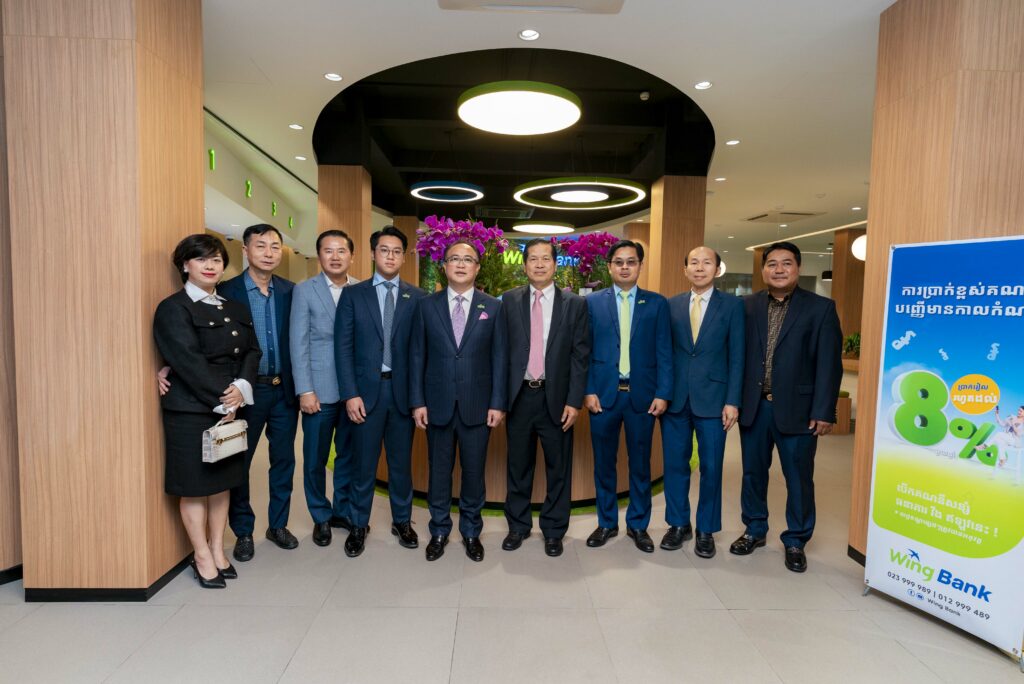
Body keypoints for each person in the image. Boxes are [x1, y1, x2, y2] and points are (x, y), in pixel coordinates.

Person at [160, 224, 298, 561]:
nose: (268, 253)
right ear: (245, 251)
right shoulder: (225, 291)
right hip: (242, 394)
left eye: (275, 246)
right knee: (238, 463)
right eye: (261, 245)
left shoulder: (291, 291)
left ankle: (278, 525)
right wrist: (165, 367)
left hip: (282, 389)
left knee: (284, 460)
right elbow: (192, 349)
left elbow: (259, 347)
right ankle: (244, 531)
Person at [153, 234, 261, 588]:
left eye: (216, 260)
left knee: (222, 485)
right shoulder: (174, 308)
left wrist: (241, 388)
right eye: (202, 259)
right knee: (196, 486)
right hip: (192, 411)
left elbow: (252, 351)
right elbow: (187, 361)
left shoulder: (234, 307)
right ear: (185, 265)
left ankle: (217, 548)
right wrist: (223, 399)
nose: (211, 266)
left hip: (231, 406)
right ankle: (200, 554)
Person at [730, 241, 842, 573]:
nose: (779, 269)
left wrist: (824, 410)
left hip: (800, 410)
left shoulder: (821, 308)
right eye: (772, 264)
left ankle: (796, 539)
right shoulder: (745, 306)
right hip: (754, 408)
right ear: (763, 269)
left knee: (798, 478)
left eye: (786, 263)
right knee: (752, 474)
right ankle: (754, 529)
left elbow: (829, 364)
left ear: (798, 268)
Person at [409, 239, 508, 562]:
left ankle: (471, 531)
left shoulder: (493, 307)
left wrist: (497, 403)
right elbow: (417, 356)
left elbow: (500, 358)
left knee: (473, 473)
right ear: (444, 266)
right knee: (439, 472)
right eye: (454, 259)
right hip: (436, 404)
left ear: (477, 268)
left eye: (468, 259)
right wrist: (417, 402)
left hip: (477, 406)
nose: (461, 264)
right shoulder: (426, 305)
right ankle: (439, 530)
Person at [336, 225, 427, 557]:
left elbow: (420, 353)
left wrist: (418, 399)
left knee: (401, 465)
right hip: (364, 395)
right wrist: (350, 394)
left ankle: (402, 521)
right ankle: (359, 524)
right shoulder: (353, 295)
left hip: (401, 395)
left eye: (396, 251)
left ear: (404, 257)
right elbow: (342, 348)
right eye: (384, 250)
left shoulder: (418, 298)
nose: (390, 256)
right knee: (364, 465)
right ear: (373, 254)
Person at [501, 238, 590, 558]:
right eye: (533, 259)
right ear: (525, 265)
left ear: (555, 264)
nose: (539, 264)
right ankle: (518, 526)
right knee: (518, 465)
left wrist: (574, 401)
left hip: (557, 398)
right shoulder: (509, 300)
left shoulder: (575, 304)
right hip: (520, 396)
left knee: (558, 467)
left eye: (545, 259)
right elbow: (502, 352)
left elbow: (580, 356)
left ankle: (554, 530)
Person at [583, 239, 672, 553]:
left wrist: (663, 393)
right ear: (609, 266)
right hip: (603, 397)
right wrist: (588, 390)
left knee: (640, 465)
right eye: (618, 262)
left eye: (631, 262)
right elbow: (583, 351)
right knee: (604, 464)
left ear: (640, 266)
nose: (624, 267)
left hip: (642, 397)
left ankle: (638, 525)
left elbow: (664, 351)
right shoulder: (592, 303)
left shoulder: (657, 303)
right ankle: (606, 523)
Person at [660, 246, 744, 559]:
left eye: (706, 263)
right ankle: (678, 523)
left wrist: (732, 400)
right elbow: (664, 353)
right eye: (693, 262)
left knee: (711, 467)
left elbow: (737, 356)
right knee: (675, 465)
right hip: (675, 401)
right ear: (685, 270)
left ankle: (706, 529)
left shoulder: (732, 306)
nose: (699, 268)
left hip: (714, 400)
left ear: (717, 269)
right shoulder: (671, 305)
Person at [289, 229, 358, 549]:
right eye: (328, 251)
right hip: (318, 390)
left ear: (351, 256)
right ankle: (320, 515)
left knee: (347, 456)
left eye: (341, 251)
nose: (335, 256)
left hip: (353, 392)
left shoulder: (361, 289)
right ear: (319, 256)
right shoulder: (305, 291)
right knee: (315, 458)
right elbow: (298, 343)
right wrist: (305, 389)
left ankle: (342, 510)